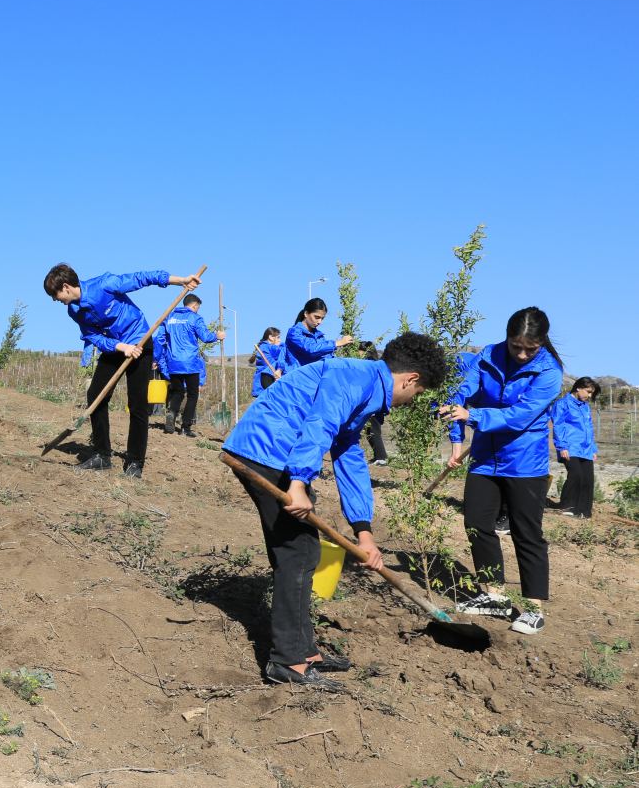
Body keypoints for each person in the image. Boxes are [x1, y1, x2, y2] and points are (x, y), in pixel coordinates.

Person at [224, 332, 448, 689]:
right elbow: (321, 423)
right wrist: (299, 482)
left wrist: (364, 532)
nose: (411, 400)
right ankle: (287, 661)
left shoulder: (367, 387)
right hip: (266, 451)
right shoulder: (353, 377)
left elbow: (349, 454)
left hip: (278, 454)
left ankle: (304, 651)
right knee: (296, 553)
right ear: (411, 379)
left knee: (305, 551)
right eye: (418, 393)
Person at [442, 307, 563, 636]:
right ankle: (493, 595)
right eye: (515, 346)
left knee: (526, 533)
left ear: (541, 343)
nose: (521, 355)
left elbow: (519, 416)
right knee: (476, 523)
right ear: (506, 338)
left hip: (525, 464)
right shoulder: (488, 356)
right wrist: (456, 436)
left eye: (530, 349)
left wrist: (472, 416)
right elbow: (461, 393)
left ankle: (534, 609)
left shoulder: (549, 372)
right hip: (484, 458)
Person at [44, 263, 201, 477]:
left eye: (55, 295)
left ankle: (135, 461)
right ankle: (102, 455)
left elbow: (142, 278)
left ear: (65, 287)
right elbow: (92, 336)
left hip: (139, 342)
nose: (55, 300)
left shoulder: (105, 284)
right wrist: (120, 347)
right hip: (116, 347)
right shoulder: (74, 310)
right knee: (96, 395)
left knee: (137, 403)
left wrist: (180, 280)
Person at [153, 293, 224, 435]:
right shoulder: (195, 318)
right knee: (192, 394)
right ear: (195, 305)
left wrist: (155, 358)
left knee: (177, 392)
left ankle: (172, 412)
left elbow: (159, 339)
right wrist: (217, 336)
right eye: (198, 308)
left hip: (173, 362)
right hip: (190, 363)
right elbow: (205, 337)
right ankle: (185, 427)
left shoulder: (169, 317)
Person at [549, 377, 601, 519]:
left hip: (586, 449)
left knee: (588, 479)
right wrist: (562, 446)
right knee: (576, 475)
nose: (589, 395)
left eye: (592, 393)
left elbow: (589, 428)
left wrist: (593, 448)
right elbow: (558, 425)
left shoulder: (585, 407)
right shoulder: (562, 404)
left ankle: (584, 511)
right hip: (570, 447)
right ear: (578, 388)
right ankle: (568, 506)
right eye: (588, 392)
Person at [286, 298, 356, 368]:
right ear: (306, 313)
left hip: (314, 374)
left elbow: (327, 358)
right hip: (298, 374)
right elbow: (311, 349)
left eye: (322, 318)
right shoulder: (294, 333)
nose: (320, 322)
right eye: (317, 317)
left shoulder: (319, 336)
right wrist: (336, 343)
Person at [249, 327, 289, 395]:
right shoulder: (267, 347)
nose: (280, 340)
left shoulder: (263, 347)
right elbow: (283, 351)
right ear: (270, 337)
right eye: (278, 337)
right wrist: (283, 345)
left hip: (264, 381)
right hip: (267, 379)